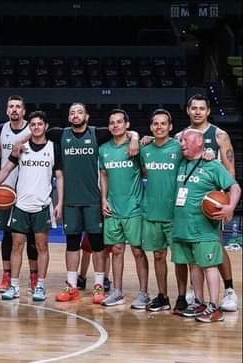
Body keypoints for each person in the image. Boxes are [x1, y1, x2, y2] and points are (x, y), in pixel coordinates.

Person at [45, 102, 139, 304]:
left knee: (97, 246)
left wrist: (136, 138)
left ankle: (98, 286)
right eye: (72, 112)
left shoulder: (97, 134)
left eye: (80, 112)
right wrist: (19, 145)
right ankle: (71, 286)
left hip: (93, 201)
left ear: (87, 116)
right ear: (69, 117)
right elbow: (33, 130)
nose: (76, 115)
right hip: (70, 202)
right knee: (72, 245)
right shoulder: (60, 134)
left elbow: (125, 131)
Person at [0, 111, 63, 301]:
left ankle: (40, 286)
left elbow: (60, 177)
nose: (36, 127)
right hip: (20, 204)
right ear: (30, 128)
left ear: (45, 127)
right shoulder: (21, 149)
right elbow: (6, 169)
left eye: (39, 124)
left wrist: (60, 202)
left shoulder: (54, 148)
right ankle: (13, 286)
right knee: (17, 246)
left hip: (42, 205)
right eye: (33, 125)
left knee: (41, 246)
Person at [172, 129, 240, 322]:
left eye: (186, 140)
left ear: (199, 142)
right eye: (182, 140)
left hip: (204, 228)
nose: (182, 144)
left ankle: (214, 307)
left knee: (209, 265)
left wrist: (230, 207)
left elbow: (234, 187)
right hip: (183, 227)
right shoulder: (182, 162)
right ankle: (200, 303)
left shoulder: (213, 165)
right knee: (194, 265)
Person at [98, 109, 149, 308]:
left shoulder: (136, 147)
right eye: (112, 122)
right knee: (116, 250)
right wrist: (104, 199)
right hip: (113, 206)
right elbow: (104, 176)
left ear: (127, 124)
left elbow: (147, 169)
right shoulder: (104, 149)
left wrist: (135, 137)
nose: (115, 125)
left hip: (134, 207)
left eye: (119, 122)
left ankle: (143, 293)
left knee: (137, 251)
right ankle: (117, 292)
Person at [139, 109, 181, 312]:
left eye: (163, 123)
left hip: (175, 214)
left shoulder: (180, 148)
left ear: (170, 127)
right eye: (155, 124)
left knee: (180, 258)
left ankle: (182, 297)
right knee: (158, 256)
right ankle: (163, 296)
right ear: (150, 127)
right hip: (152, 212)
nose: (159, 127)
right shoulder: (145, 150)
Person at [0, 95, 39, 292]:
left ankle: (34, 276)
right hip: (6, 190)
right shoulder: (1, 129)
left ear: (24, 111)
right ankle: (6, 276)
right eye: (11, 106)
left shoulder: (34, 129)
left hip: (28, 190)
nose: (14, 109)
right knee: (7, 235)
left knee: (30, 236)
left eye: (18, 107)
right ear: (7, 111)